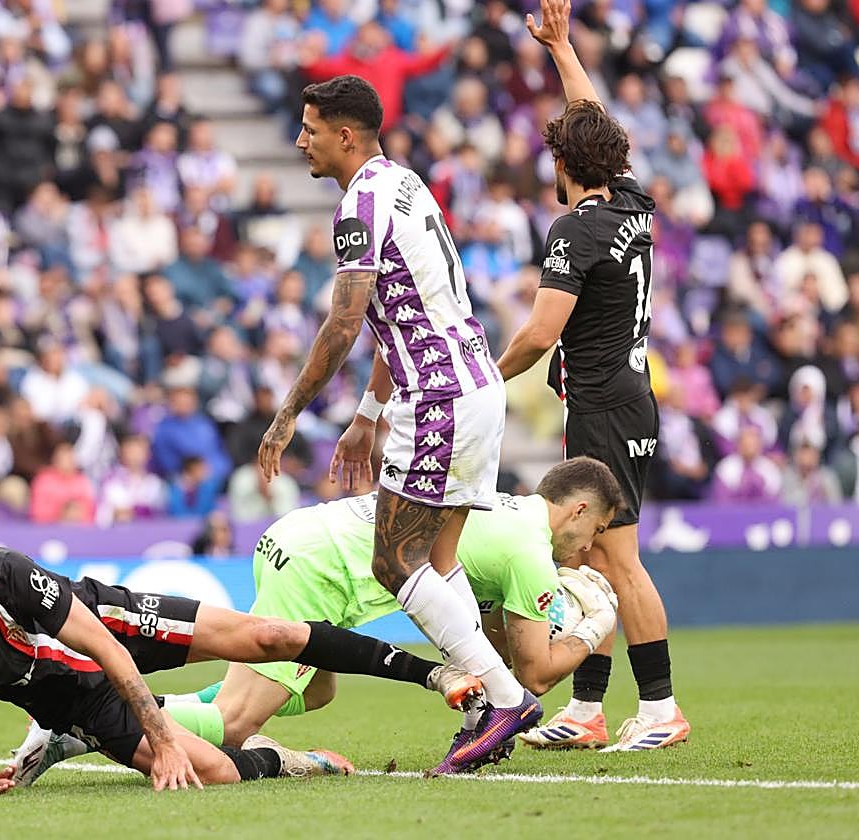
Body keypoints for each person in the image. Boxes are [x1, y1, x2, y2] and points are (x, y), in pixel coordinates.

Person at [256, 73, 538, 776]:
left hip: (438, 395)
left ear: (344, 135)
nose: (300, 140)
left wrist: (287, 413)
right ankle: (484, 711)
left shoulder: (356, 208)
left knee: (393, 560)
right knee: (440, 560)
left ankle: (502, 697)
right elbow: (404, 306)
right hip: (475, 383)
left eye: (310, 128)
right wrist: (366, 414)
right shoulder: (405, 184)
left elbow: (346, 321)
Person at [0, 547, 479, 793]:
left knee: (266, 636)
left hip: (109, 629)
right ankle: (287, 758)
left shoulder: (2, 576)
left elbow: (107, 652)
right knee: (217, 774)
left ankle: (430, 673)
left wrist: (165, 739)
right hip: (74, 703)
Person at [496, 0, 689, 752]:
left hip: (606, 404)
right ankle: (588, 710)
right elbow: (592, 118)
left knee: (616, 558)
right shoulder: (633, 203)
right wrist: (562, 49)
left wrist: (483, 377)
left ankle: (663, 707)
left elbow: (542, 332)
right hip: (625, 396)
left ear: (562, 165)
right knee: (588, 554)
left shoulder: (574, 229)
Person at [159, 458, 621, 754]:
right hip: (322, 566)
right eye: (596, 531)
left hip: (302, 533)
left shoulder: (502, 511)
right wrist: (594, 626)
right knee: (235, 722)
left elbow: (483, 652)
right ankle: (101, 709)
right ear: (578, 511)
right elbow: (533, 677)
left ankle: (161, 704)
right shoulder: (531, 556)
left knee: (317, 692)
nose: (586, 549)